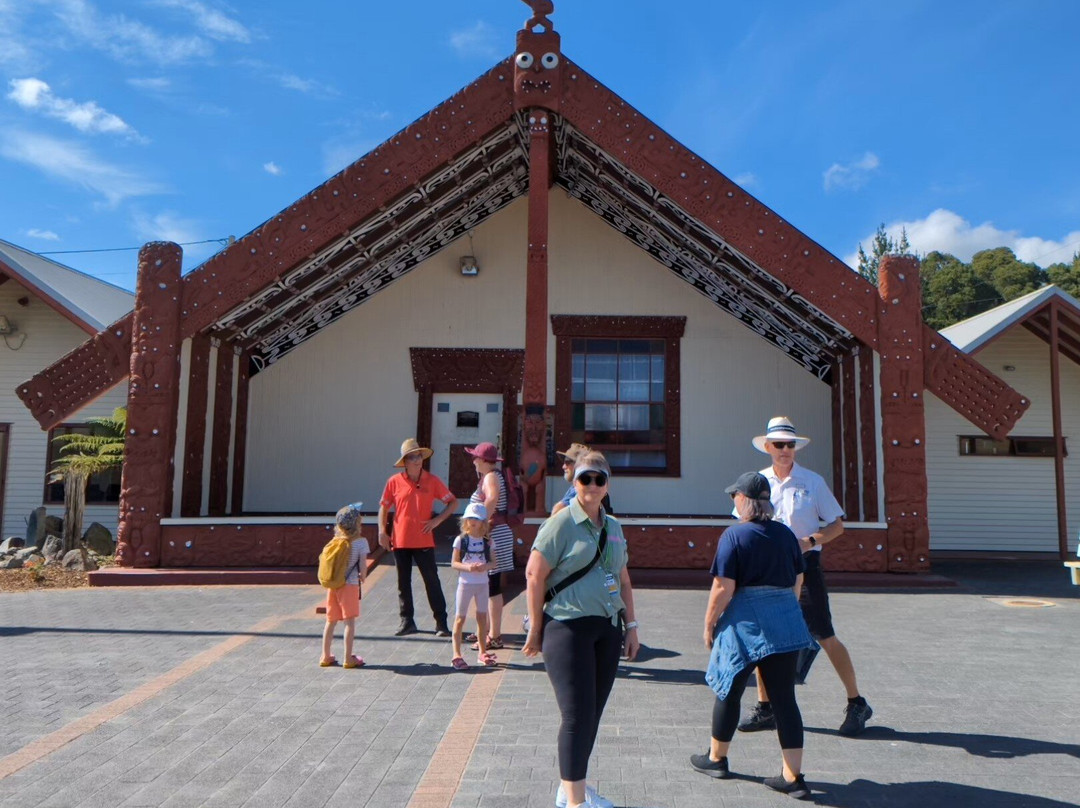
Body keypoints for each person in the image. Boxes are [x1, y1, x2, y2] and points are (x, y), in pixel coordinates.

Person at [738, 416, 873, 737]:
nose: (786, 450)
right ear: (768, 447)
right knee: (763, 639)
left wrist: (810, 541)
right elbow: (743, 523)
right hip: (767, 569)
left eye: (790, 444)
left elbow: (837, 525)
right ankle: (765, 707)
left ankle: (857, 703)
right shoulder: (757, 482)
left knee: (824, 634)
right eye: (779, 444)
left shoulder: (812, 482)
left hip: (805, 566)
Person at [523, 451, 639, 808]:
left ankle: (572, 787)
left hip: (607, 628)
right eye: (585, 479)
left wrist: (631, 626)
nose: (591, 485)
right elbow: (534, 574)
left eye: (598, 479)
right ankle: (574, 803)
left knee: (592, 713)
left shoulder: (614, 527)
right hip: (567, 627)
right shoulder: (560, 523)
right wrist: (534, 628)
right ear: (574, 483)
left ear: (607, 485)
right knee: (575, 715)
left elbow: (623, 580)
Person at [694, 472, 816, 800]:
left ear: (744, 501)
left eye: (734, 496)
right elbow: (798, 580)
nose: (732, 501)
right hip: (786, 621)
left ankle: (716, 759)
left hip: (745, 624)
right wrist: (784, 609)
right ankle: (793, 777)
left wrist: (708, 624)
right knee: (785, 699)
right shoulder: (786, 535)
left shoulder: (734, 536)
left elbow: (723, 587)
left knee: (730, 691)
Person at [378, 438, 457, 637]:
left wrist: (437, 520)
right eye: (412, 457)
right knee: (402, 582)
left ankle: (441, 623)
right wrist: (382, 531)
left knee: (432, 580)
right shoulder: (393, 482)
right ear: (405, 461)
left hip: (424, 541)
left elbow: (453, 503)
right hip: (400, 540)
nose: (417, 460)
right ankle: (407, 621)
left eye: (419, 455)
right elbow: (384, 506)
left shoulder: (432, 480)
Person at [464, 442, 515, 649]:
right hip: (494, 534)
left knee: (492, 585)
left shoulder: (491, 477)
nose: (474, 461)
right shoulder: (490, 477)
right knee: (485, 584)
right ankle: (484, 630)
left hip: (493, 535)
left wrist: (478, 525)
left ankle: (493, 635)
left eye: (476, 457)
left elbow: (492, 499)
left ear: (485, 461)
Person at [320, 503, 370, 668]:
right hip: (349, 585)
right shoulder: (361, 542)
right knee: (349, 622)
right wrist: (363, 577)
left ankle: (325, 656)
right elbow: (363, 565)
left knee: (331, 621)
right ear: (356, 523)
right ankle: (348, 658)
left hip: (333, 584)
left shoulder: (336, 540)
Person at [449, 502, 497, 670]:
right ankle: (456, 654)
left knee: (482, 618)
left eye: (476, 519)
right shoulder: (461, 540)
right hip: (466, 583)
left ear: (483, 522)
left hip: (482, 583)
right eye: (470, 518)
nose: (473, 522)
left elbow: (493, 562)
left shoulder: (488, 541)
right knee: (460, 618)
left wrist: (485, 567)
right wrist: (468, 567)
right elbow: (454, 563)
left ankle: (482, 652)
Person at [551, 443, 613, 517]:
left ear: (578, 464)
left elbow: (557, 511)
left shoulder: (579, 490)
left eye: (567, 462)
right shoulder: (575, 489)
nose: (563, 466)